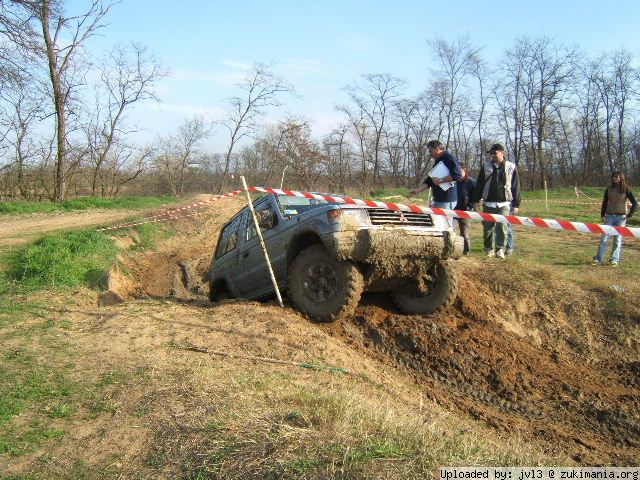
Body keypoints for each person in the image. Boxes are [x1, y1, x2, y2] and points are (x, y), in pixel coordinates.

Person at [471, 143, 521, 259]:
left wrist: (516, 204)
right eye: (491, 153)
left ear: (502, 153)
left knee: (502, 227)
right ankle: (489, 249)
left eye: (495, 153)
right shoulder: (486, 166)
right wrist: (476, 199)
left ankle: (500, 249)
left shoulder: (511, 167)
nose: (492, 155)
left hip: (504, 204)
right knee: (488, 228)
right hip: (488, 203)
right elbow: (479, 184)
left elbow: (516, 186)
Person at [592, 171, 637, 266]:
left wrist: (629, 215)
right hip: (609, 216)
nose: (615, 178)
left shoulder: (626, 189)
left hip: (621, 218)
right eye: (613, 177)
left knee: (617, 239)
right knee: (604, 239)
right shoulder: (608, 189)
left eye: (617, 177)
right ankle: (598, 258)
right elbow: (604, 203)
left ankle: (614, 259)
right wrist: (602, 215)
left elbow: (635, 203)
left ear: (621, 178)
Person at [409, 140, 463, 211]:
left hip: (446, 199)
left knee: (443, 221)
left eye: (431, 151)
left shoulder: (449, 158)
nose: (430, 154)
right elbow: (431, 180)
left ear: (437, 149)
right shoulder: (438, 160)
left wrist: (441, 180)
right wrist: (418, 190)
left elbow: (458, 175)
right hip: (438, 198)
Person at [455, 164, 476, 255]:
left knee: (464, 233)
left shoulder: (471, 182)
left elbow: (475, 197)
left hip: (466, 211)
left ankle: (466, 250)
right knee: (451, 230)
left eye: (460, 171)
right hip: (453, 211)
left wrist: (470, 206)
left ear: (464, 170)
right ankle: (453, 249)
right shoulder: (453, 181)